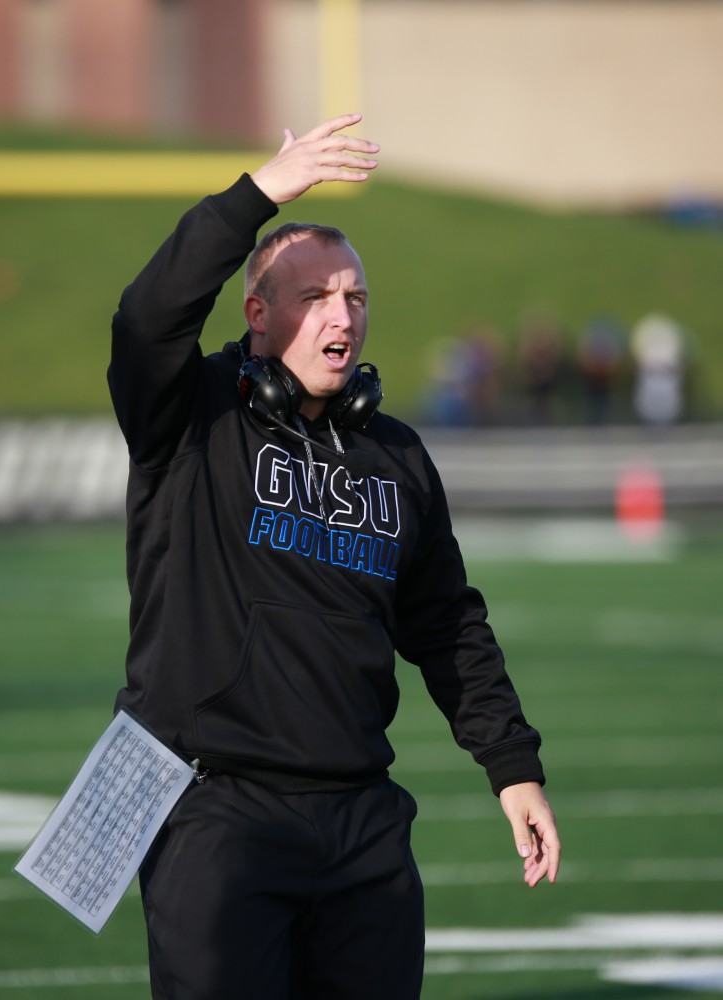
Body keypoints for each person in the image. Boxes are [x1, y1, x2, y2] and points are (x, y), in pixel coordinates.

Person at [108, 113, 560, 1000]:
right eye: (314, 297)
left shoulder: (395, 455)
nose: (340, 315)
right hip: (213, 808)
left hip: (361, 824)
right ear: (260, 315)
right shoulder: (193, 418)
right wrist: (258, 195)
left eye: (353, 297)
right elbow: (145, 318)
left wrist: (514, 767)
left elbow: (447, 623)